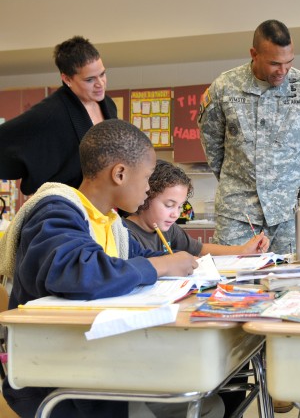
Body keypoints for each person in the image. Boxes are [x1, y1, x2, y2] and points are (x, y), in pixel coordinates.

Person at [0, 119, 198, 418]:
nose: (148, 189)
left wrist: (175, 266)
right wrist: (163, 264)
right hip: (54, 377)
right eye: (146, 178)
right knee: (186, 400)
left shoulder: (110, 223)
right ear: (120, 173)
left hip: (93, 359)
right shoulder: (56, 210)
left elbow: (134, 259)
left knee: (196, 389)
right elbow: (80, 270)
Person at [198, 19, 300, 256]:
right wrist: (236, 178)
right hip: (237, 211)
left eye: (289, 62)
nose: (282, 71)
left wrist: (296, 175)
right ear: (254, 54)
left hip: (291, 210)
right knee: (232, 279)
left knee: (293, 280)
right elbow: (211, 141)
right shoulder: (225, 88)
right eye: (274, 63)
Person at [0, 36, 117, 195]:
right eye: (90, 80)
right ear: (67, 79)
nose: (100, 84)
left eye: (102, 74)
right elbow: (7, 136)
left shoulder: (108, 105)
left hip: (106, 203)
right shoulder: (51, 112)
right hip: (69, 206)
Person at [125, 159, 269, 256]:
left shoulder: (169, 229)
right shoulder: (125, 234)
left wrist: (243, 250)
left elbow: (200, 249)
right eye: (169, 205)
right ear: (146, 196)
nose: (176, 214)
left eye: (180, 206)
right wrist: (171, 263)